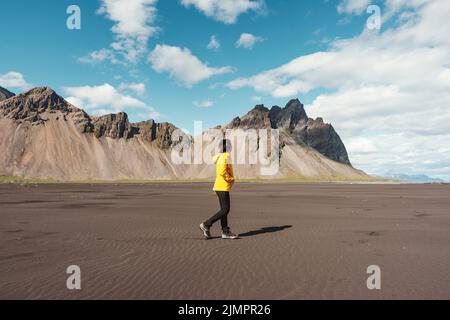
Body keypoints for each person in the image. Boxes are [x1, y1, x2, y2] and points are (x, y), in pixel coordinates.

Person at [200, 139, 238, 240]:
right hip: (222, 185)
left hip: (220, 186)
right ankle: (206, 224)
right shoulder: (226, 156)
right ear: (228, 147)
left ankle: (225, 232)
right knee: (225, 209)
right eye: (230, 145)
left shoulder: (220, 156)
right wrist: (230, 179)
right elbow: (222, 171)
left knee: (223, 210)